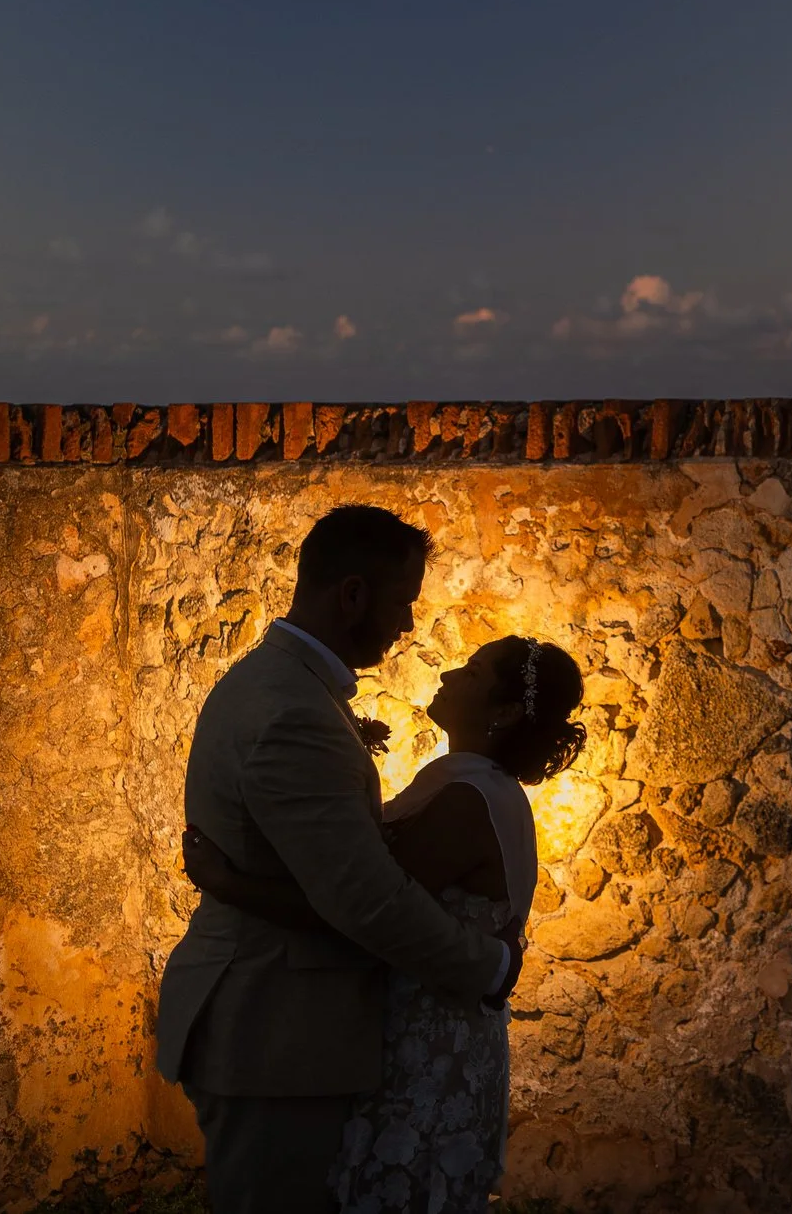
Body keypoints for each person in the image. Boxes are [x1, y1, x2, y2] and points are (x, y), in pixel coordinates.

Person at [154, 507, 521, 1214]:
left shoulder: (275, 684)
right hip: (276, 1034)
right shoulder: (294, 710)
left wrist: (230, 882)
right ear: (351, 594)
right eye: (403, 599)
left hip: (276, 1031)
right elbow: (365, 898)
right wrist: (491, 966)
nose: (409, 623)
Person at [184, 634, 588, 1213]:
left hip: (429, 1047)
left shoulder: (467, 800)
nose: (450, 674)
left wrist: (229, 886)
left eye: (472, 672)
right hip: (417, 1030)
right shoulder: (461, 783)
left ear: (502, 711)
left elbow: (360, 907)